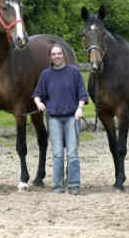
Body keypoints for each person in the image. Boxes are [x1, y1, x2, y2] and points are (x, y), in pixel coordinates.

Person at [32, 43, 88, 195]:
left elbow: (82, 93)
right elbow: (37, 93)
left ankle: (74, 185)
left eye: (59, 53)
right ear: (50, 57)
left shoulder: (74, 72)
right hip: (54, 119)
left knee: (72, 154)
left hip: (72, 117)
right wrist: (39, 103)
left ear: (64, 55)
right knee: (57, 154)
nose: (56, 56)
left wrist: (80, 108)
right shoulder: (46, 75)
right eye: (53, 54)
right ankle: (57, 186)